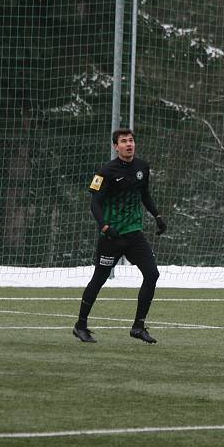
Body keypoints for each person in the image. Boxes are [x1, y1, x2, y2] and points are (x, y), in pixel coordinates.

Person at [72, 128, 167, 344]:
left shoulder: (142, 167)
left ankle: (138, 327)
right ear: (116, 146)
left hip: (134, 235)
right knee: (99, 279)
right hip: (112, 237)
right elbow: (95, 203)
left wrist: (158, 216)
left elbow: (145, 194)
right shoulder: (105, 172)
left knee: (152, 274)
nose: (128, 144)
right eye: (123, 141)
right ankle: (80, 325)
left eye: (131, 140)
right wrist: (105, 227)